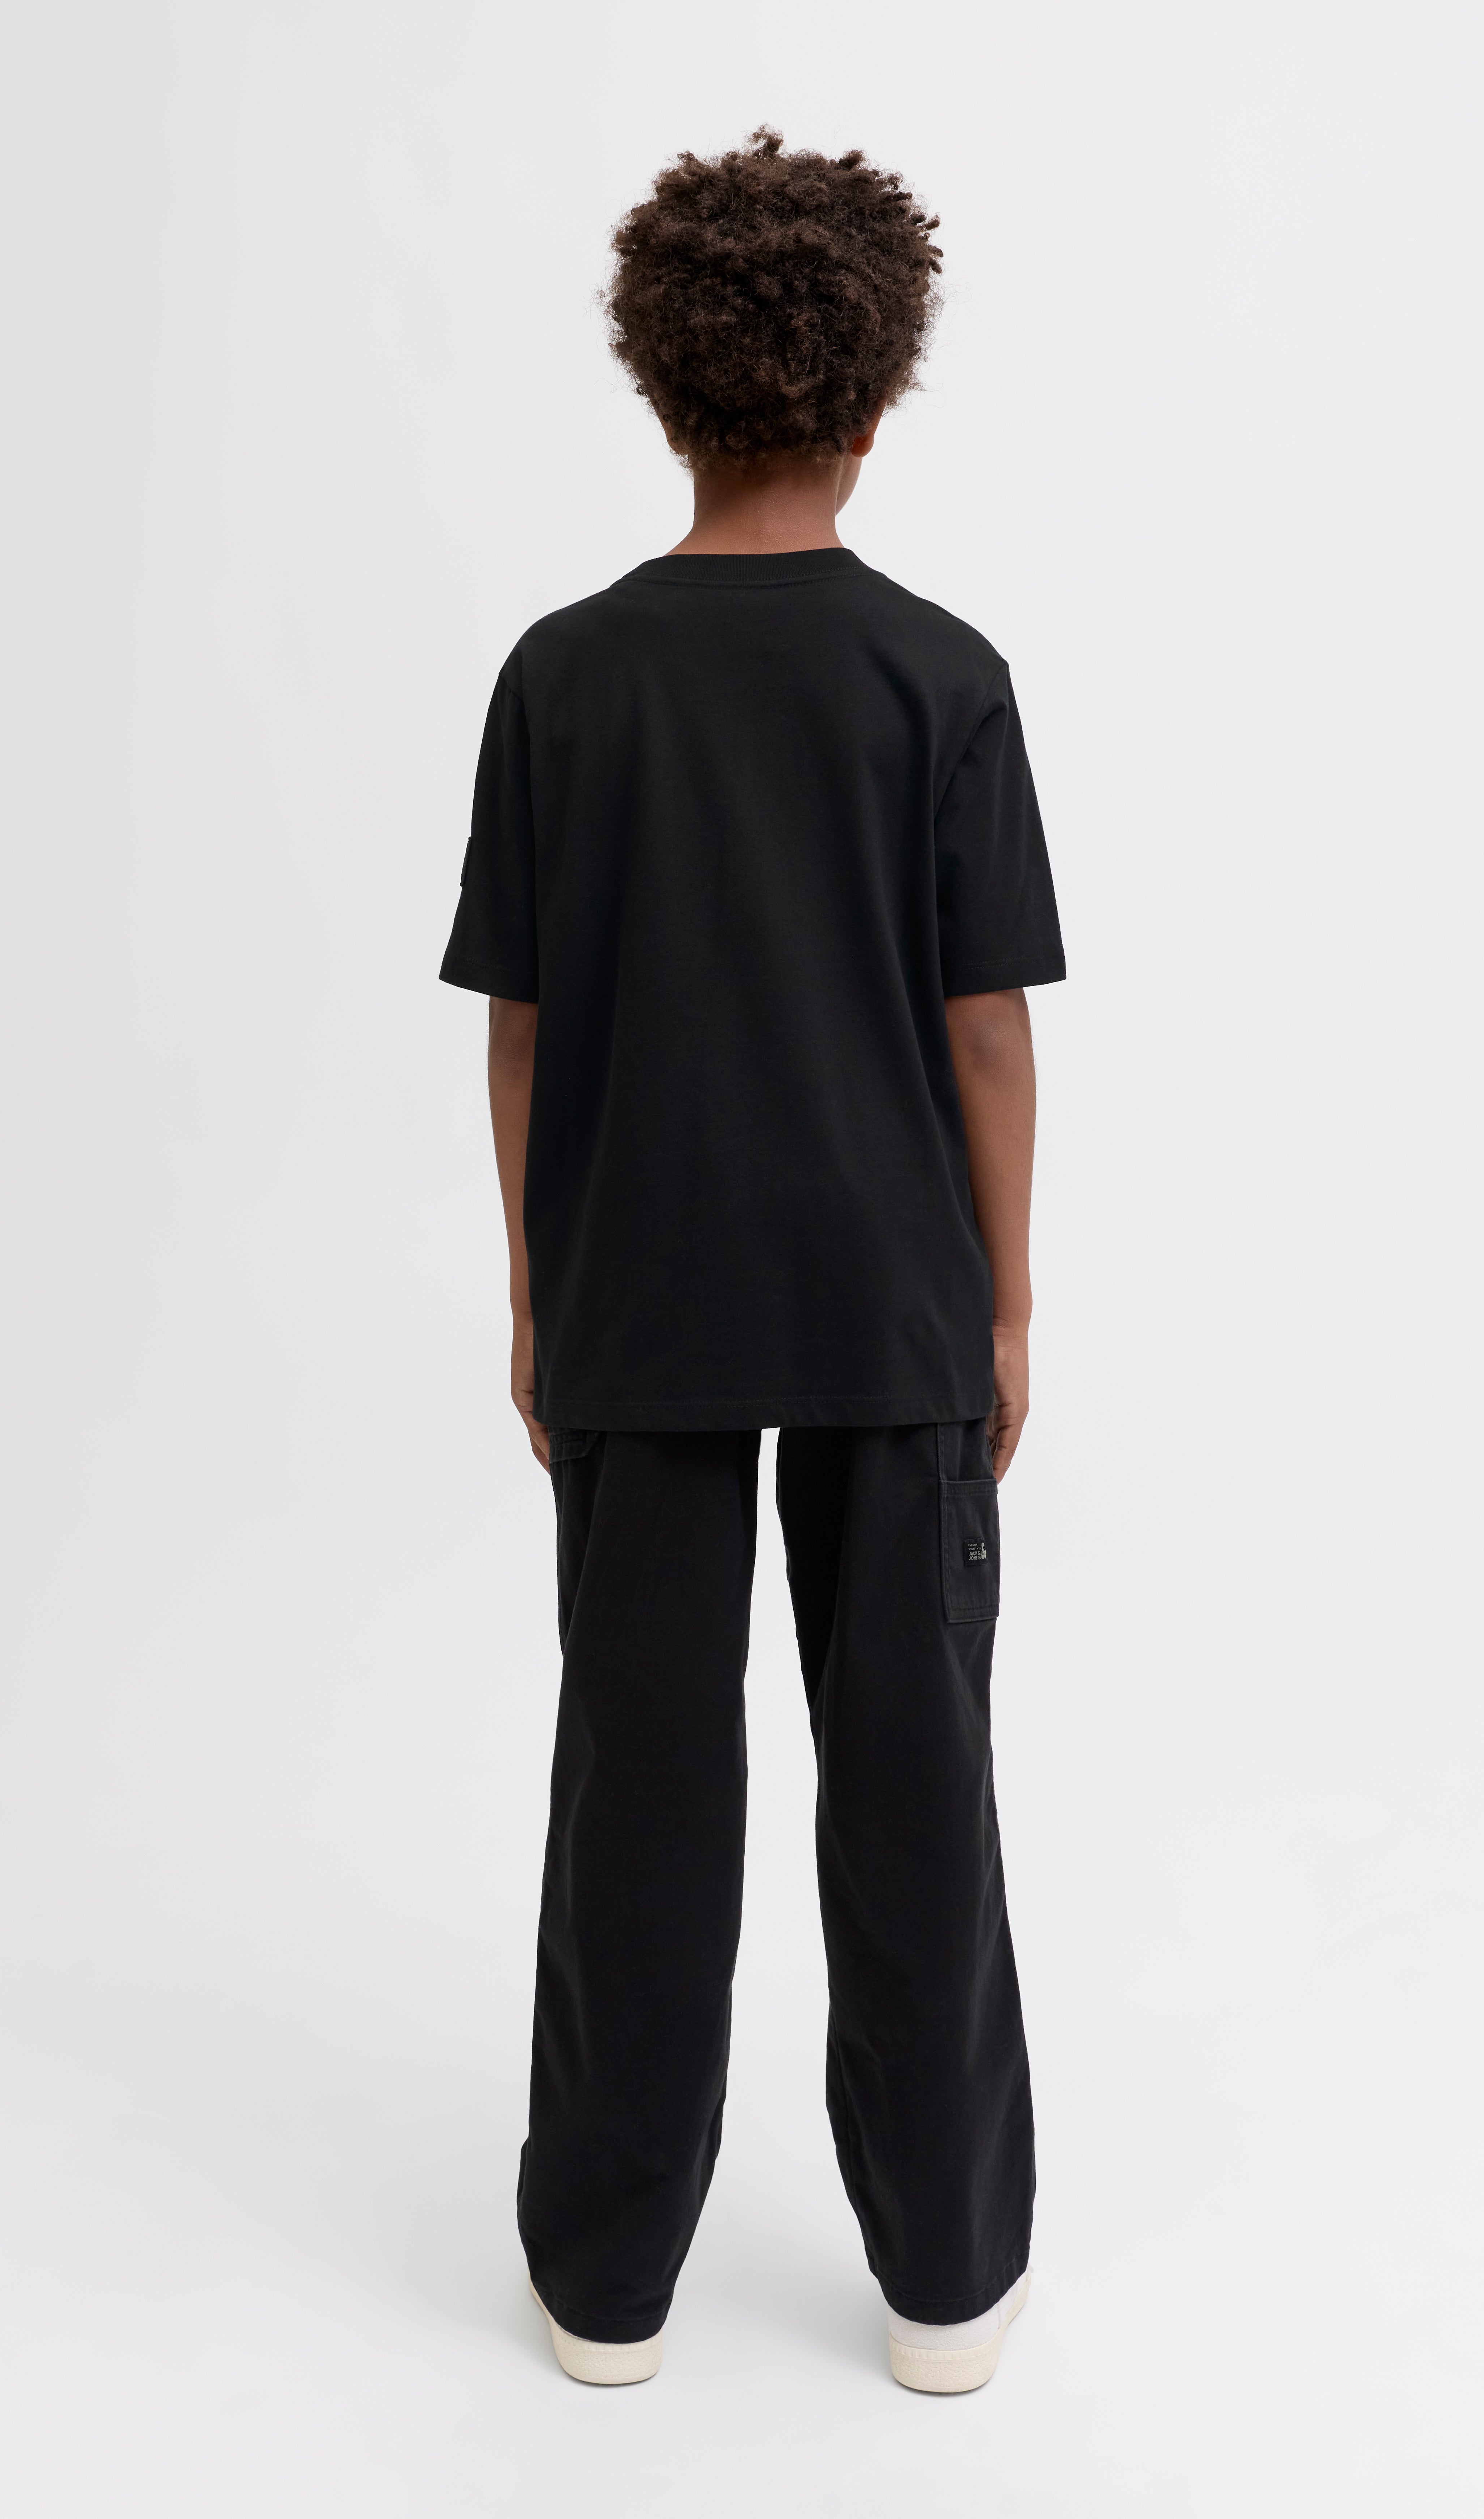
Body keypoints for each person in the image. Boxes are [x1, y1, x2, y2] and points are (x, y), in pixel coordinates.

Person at [440, 129, 1064, 2395]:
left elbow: (524, 1028)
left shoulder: (564, 677)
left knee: (640, 1774)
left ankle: (606, 2281)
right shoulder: (942, 675)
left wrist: (539, 1290)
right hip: (892, 1300)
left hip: (640, 1289)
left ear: (663, 383)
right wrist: (1006, 1298)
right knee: (915, 1772)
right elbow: (983, 1027)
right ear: (876, 395)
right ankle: (948, 2282)